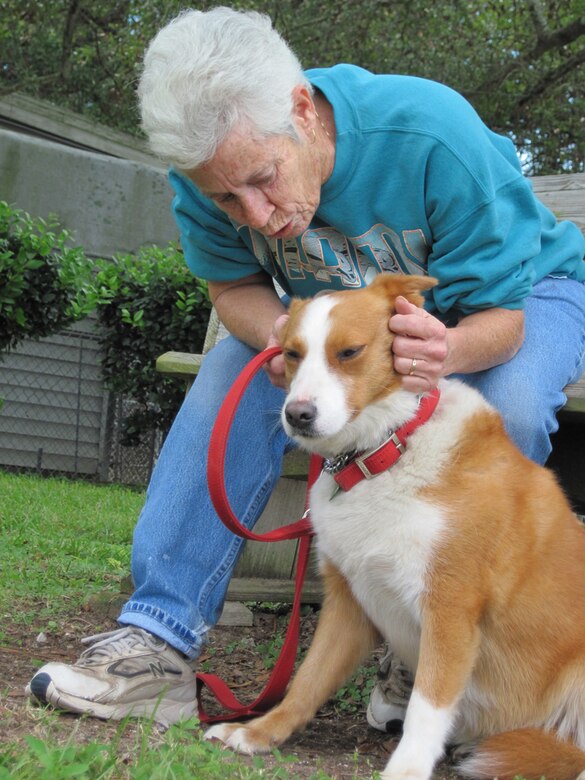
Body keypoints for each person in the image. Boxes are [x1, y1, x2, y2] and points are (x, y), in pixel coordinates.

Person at [27, 6, 585, 732]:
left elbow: (501, 320)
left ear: (302, 110)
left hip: (519, 296)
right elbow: (234, 287)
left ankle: (423, 641)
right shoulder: (207, 168)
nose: (258, 215)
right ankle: (156, 641)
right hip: (337, 324)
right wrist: (283, 341)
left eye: (264, 179)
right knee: (229, 379)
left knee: (507, 401)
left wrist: (441, 351)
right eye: (228, 198)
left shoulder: (429, 133)